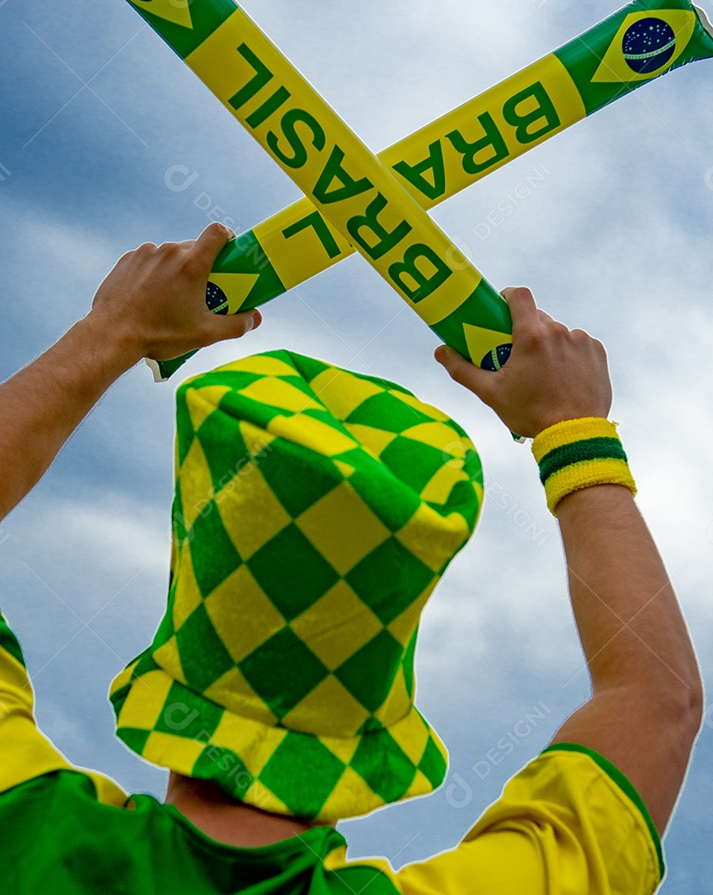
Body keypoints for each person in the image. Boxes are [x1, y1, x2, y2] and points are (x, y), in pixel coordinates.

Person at [0, 222, 702, 894]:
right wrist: (573, 430)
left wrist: (115, 329)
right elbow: (658, 704)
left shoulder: (24, 829)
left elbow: (657, 705)